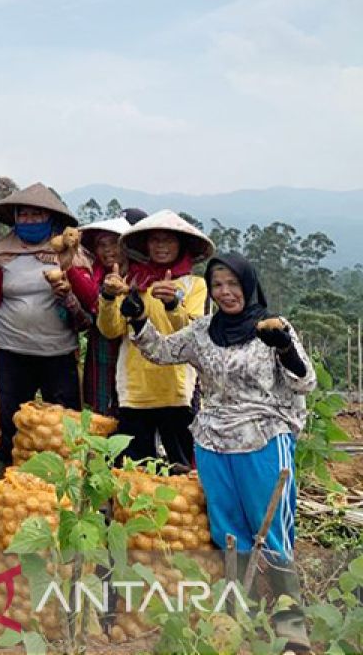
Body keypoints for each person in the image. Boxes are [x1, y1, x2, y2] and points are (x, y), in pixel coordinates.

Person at [124, 253, 311, 650]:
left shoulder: (273, 328)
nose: (226, 293)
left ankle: (292, 627)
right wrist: (138, 319)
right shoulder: (203, 330)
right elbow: (161, 351)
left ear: (248, 284)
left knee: (271, 531)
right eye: (218, 285)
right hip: (213, 442)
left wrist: (285, 350)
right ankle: (236, 620)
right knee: (228, 533)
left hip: (264, 437)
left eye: (233, 284)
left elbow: (304, 381)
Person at [0, 183, 91, 474]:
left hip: (58, 351)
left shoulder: (67, 251)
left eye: (36, 215)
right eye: (23, 215)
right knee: (11, 422)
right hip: (14, 350)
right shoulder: (1, 251)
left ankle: (66, 486)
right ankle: (10, 484)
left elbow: (90, 297)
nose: (28, 220)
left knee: (64, 424)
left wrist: (69, 271)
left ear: (50, 218)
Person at [97, 210, 211, 466]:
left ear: (181, 245)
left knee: (181, 468)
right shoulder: (132, 281)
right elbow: (111, 329)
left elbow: (192, 334)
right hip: (135, 388)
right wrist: (107, 297)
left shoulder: (194, 285)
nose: (161, 246)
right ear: (146, 245)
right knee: (133, 471)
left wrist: (172, 303)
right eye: (155, 240)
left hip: (177, 391)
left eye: (168, 240)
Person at [77, 215, 133, 416]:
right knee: (101, 418)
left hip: (133, 357)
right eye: (102, 244)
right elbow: (82, 316)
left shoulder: (140, 277)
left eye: (114, 243)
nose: (108, 250)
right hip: (102, 355)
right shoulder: (93, 278)